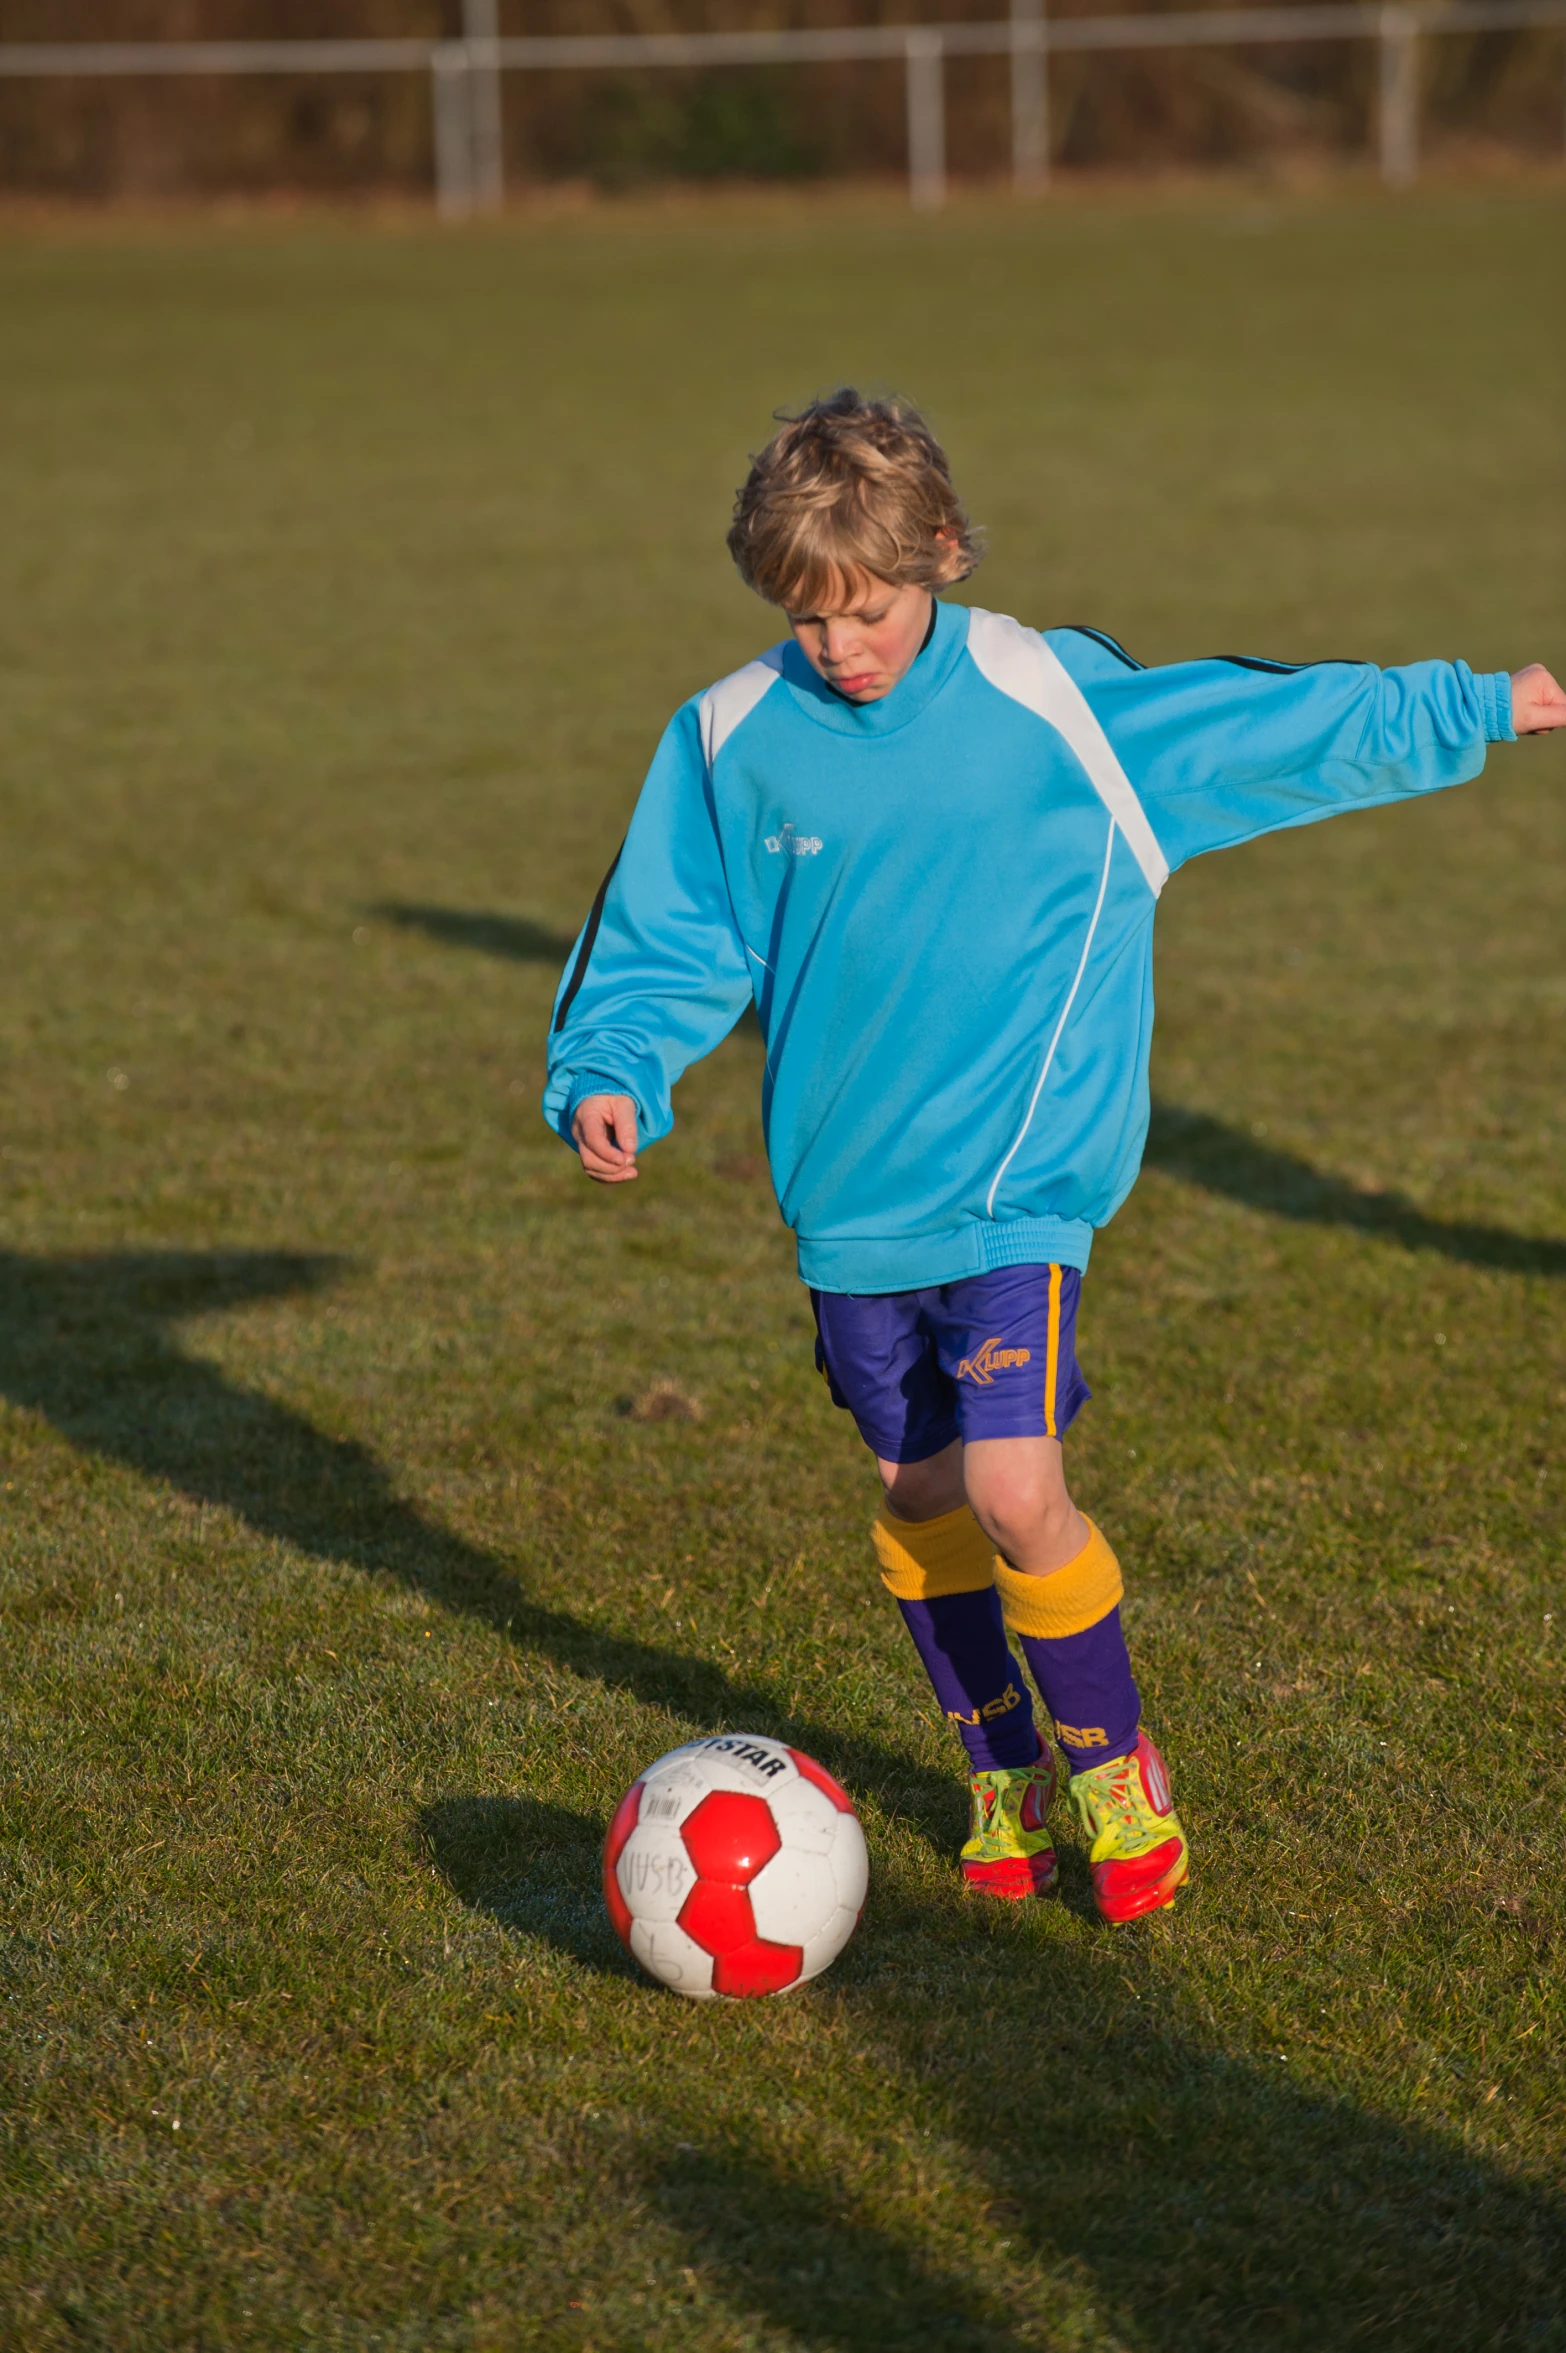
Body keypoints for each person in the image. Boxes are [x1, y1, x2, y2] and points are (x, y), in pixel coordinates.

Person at [544, 389, 1565, 1925]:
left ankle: (1109, 1767)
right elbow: (666, 931)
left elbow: (1267, 720)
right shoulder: (729, 737)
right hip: (846, 1202)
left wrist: (1475, 704)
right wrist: (612, 1065)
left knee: (1017, 1486)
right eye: (809, 617)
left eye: (871, 608)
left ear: (940, 553)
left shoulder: (1050, 704)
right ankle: (999, 1769)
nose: (843, 647)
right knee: (918, 1497)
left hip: (1020, 1187)